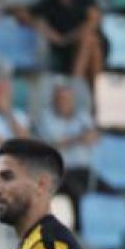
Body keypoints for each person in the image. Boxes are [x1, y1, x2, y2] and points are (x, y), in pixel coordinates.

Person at [25, 0, 103, 80]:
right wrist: (49, 32)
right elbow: (23, 14)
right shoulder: (48, 2)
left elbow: (92, 21)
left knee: (89, 40)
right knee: (92, 46)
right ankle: (90, 92)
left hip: (83, 41)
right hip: (65, 49)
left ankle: (75, 84)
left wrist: (68, 38)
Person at [36, 81, 97, 211]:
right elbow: (53, 144)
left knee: (104, 190)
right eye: (60, 99)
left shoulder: (82, 117)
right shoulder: (47, 118)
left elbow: (93, 138)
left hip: (82, 170)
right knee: (73, 189)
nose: (63, 102)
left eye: (67, 99)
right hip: (59, 171)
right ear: (54, 100)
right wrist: (78, 138)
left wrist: (74, 139)